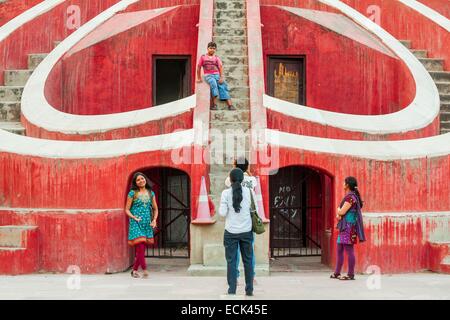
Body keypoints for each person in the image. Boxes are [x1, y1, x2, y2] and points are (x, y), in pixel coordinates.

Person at [219, 168, 257, 296]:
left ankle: (232, 289)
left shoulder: (225, 193)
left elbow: (222, 213)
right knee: (248, 260)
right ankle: (249, 289)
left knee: (231, 261)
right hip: (247, 231)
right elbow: (254, 209)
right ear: (243, 179)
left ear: (230, 179)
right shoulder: (250, 192)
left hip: (230, 232)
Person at [330, 176, 366, 280]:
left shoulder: (350, 198)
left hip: (348, 228)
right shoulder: (351, 197)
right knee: (339, 249)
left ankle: (350, 274)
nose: (342, 184)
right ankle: (337, 273)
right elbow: (344, 214)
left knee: (349, 250)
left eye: (344, 183)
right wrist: (340, 214)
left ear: (347, 185)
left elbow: (341, 212)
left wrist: (338, 209)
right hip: (345, 227)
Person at [125, 172, 159, 278]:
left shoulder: (151, 193)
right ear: (135, 183)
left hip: (146, 224)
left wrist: (154, 220)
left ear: (145, 179)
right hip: (136, 223)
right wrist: (133, 217)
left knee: (141, 249)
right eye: (138, 180)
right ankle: (144, 269)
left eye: (142, 179)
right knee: (140, 246)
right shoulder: (132, 193)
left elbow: (155, 208)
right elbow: (126, 209)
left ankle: (134, 270)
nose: (141, 181)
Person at [196, 41, 235, 111]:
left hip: (216, 74)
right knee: (213, 84)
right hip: (208, 75)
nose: (212, 50)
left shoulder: (216, 58)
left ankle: (230, 105)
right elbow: (199, 67)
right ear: (207, 48)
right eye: (210, 48)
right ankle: (214, 104)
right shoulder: (203, 57)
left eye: (214, 48)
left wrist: (221, 77)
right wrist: (199, 78)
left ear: (215, 49)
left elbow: (220, 67)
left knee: (223, 85)